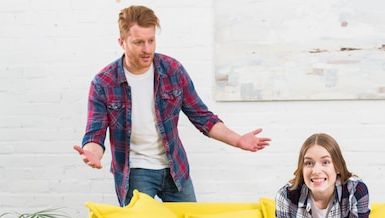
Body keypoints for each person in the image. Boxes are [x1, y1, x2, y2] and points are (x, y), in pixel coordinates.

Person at [74, 5, 271, 206]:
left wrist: (238, 140)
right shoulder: (104, 83)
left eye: (151, 40)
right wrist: (93, 154)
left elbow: (202, 116)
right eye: (139, 42)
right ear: (122, 42)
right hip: (135, 171)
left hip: (175, 167)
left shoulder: (172, 70)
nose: (147, 49)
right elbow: (95, 134)